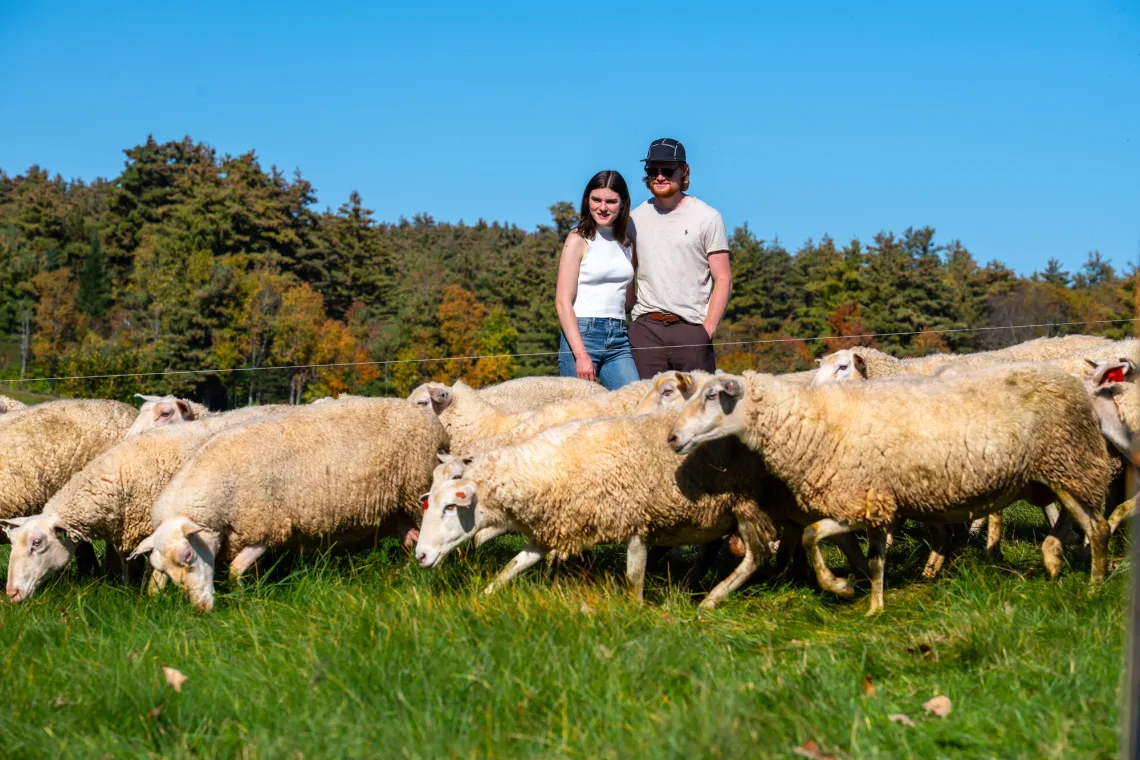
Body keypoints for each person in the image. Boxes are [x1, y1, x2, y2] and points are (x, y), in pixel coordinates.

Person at [628, 138, 732, 377]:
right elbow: (627, 272)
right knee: (646, 409)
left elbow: (724, 278)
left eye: (667, 170)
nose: (660, 176)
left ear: (684, 171)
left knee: (697, 408)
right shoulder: (634, 218)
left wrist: (706, 330)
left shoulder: (707, 217)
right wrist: (634, 320)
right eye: (653, 170)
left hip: (691, 328)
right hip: (646, 329)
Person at [554, 170, 640, 390]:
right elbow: (562, 302)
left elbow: (628, 299)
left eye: (611, 201)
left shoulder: (627, 242)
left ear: (622, 204)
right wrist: (581, 355)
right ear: (587, 200)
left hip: (619, 336)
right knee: (579, 415)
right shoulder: (578, 239)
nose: (602, 207)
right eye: (596, 200)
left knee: (634, 404)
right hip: (583, 334)